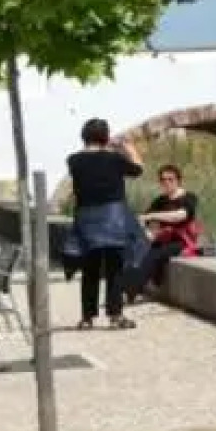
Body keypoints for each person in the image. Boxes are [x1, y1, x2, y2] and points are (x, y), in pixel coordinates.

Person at [65, 117, 143, 330]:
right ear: (106, 137)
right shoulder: (114, 159)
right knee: (114, 269)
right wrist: (129, 148)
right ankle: (115, 316)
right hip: (113, 220)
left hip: (87, 220)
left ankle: (87, 318)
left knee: (89, 269)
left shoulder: (73, 160)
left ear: (84, 136)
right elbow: (138, 169)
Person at [130, 165, 202, 295]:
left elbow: (180, 215)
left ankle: (131, 290)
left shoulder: (189, 197)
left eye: (170, 179)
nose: (166, 183)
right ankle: (139, 284)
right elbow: (144, 220)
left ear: (178, 180)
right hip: (163, 239)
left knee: (154, 255)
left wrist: (152, 216)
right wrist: (145, 229)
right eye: (163, 180)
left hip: (182, 240)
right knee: (138, 251)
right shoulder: (160, 200)